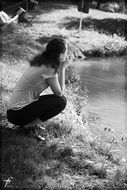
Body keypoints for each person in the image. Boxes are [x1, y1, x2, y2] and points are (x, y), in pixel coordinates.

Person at [7, 38, 72, 140]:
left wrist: (60, 67)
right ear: (60, 55)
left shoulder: (43, 62)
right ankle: (27, 127)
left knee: (58, 100)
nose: (67, 54)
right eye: (66, 51)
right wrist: (63, 68)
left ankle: (30, 123)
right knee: (61, 102)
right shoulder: (49, 68)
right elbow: (60, 93)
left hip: (13, 111)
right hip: (17, 113)